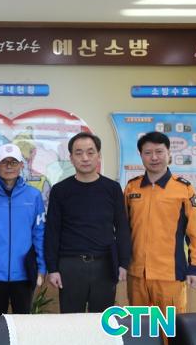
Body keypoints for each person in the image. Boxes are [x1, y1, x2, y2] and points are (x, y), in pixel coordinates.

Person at [44, 132, 131, 313]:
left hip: (105, 265)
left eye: (90, 152)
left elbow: (122, 227)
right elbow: (52, 231)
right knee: (71, 321)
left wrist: (123, 263)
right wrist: (52, 268)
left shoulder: (112, 188)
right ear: (71, 158)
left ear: (99, 156)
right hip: (70, 266)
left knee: (102, 320)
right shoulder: (60, 190)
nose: (85, 158)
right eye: (79, 153)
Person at [125, 131, 196, 314]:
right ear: (141, 155)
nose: (154, 157)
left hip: (169, 275)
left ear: (168, 153)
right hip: (137, 275)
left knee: (171, 328)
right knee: (140, 328)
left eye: (159, 152)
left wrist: (195, 267)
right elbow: (123, 229)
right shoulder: (131, 187)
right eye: (148, 153)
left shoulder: (184, 189)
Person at [0, 143, 46, 315]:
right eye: (4, 162)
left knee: (23, 324)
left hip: (24, 273)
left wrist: (41, 267)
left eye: (14, 162)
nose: (9, 166)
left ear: (21, 165)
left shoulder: (33, 196)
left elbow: (39, 234)